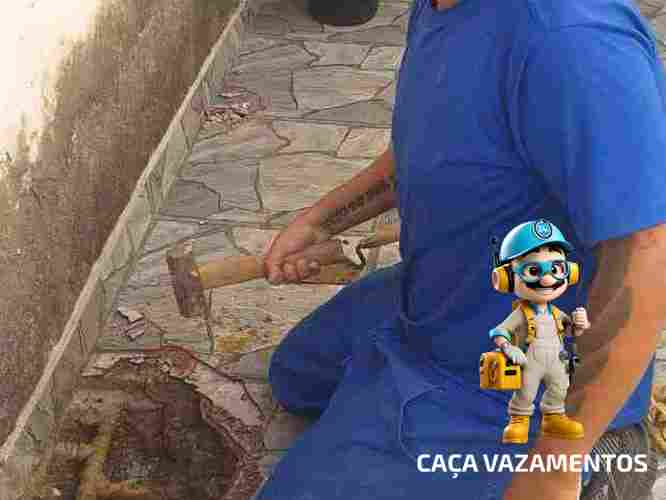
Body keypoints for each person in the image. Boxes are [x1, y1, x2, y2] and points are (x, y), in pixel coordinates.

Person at [256, 0, 666, 498]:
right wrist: (321, 220)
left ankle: (606, 458)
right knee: (298, 374)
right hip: (447, 295)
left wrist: (556, 464)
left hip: (514, 378)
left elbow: (647, 253)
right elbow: (437, 135)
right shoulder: (441, 7)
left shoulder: (572, 41)